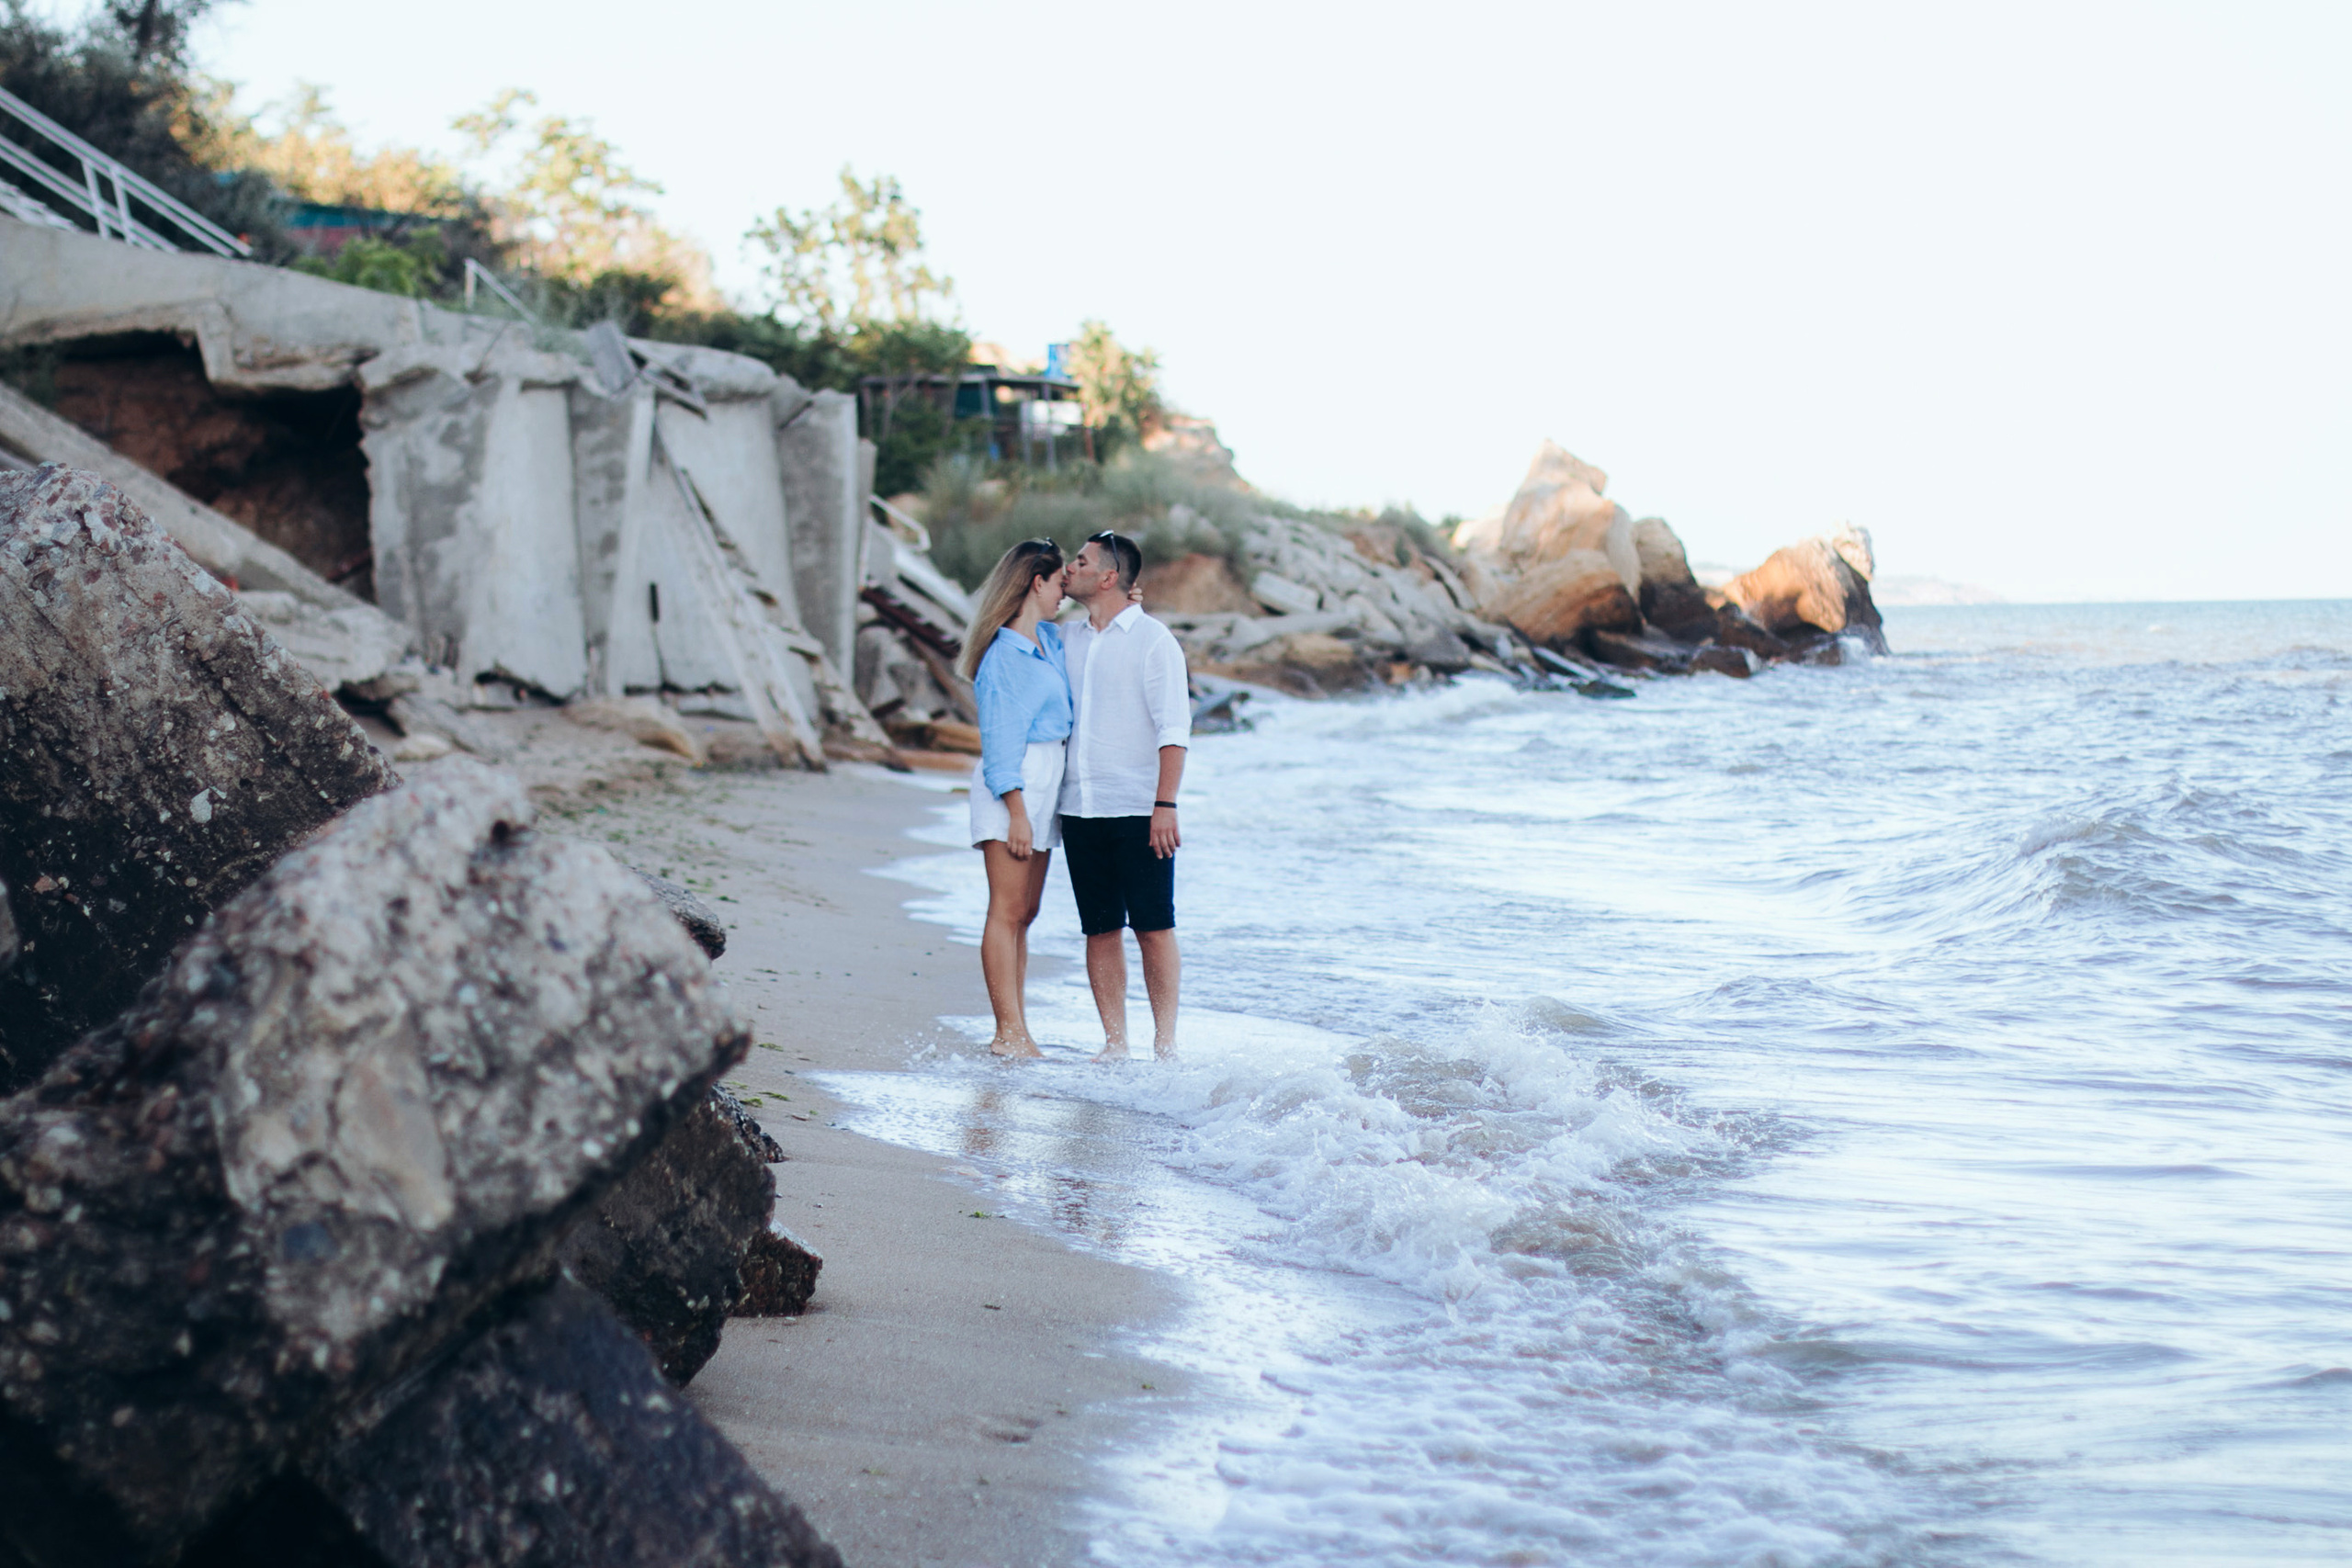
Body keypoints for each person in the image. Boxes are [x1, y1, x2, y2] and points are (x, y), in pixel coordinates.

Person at [1057, 530, 1191, 1061]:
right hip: (1080, 807)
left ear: (1109, 577)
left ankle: (1165, 1045)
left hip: (1139, 808)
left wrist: (1166, 804)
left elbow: (1174, 729)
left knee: (1154, 926)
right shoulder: (1065, 638)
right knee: (1099, 928)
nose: (1071, 567)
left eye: (1081, 561)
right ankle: (1114, 1043)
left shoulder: (1154, 640)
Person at [959, 537, 1071, 1059]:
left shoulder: (1047, 641)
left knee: (1027, 911)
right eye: (1058, 586)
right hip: (1016, 782)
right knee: (1006, 910)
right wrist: (1018, 813)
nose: (1063, 597)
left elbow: (1097, 635)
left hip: (1047, 776)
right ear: (1036, 582)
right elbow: (1001, 742)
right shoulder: (1005, 655)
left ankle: (1019, 1026)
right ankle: (1006, 1032)